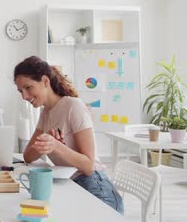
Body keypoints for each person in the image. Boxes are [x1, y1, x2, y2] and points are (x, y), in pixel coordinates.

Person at [13, 56, 124, 214]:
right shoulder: (46, 113)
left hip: (95, 186)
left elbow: (88, 166)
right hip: (70, 183)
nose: (24, 96)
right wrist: (45, 144)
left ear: (45, 81)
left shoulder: (73, 106)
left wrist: (56, 145)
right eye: (20, 91)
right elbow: (28, 156)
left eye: (28, 87)